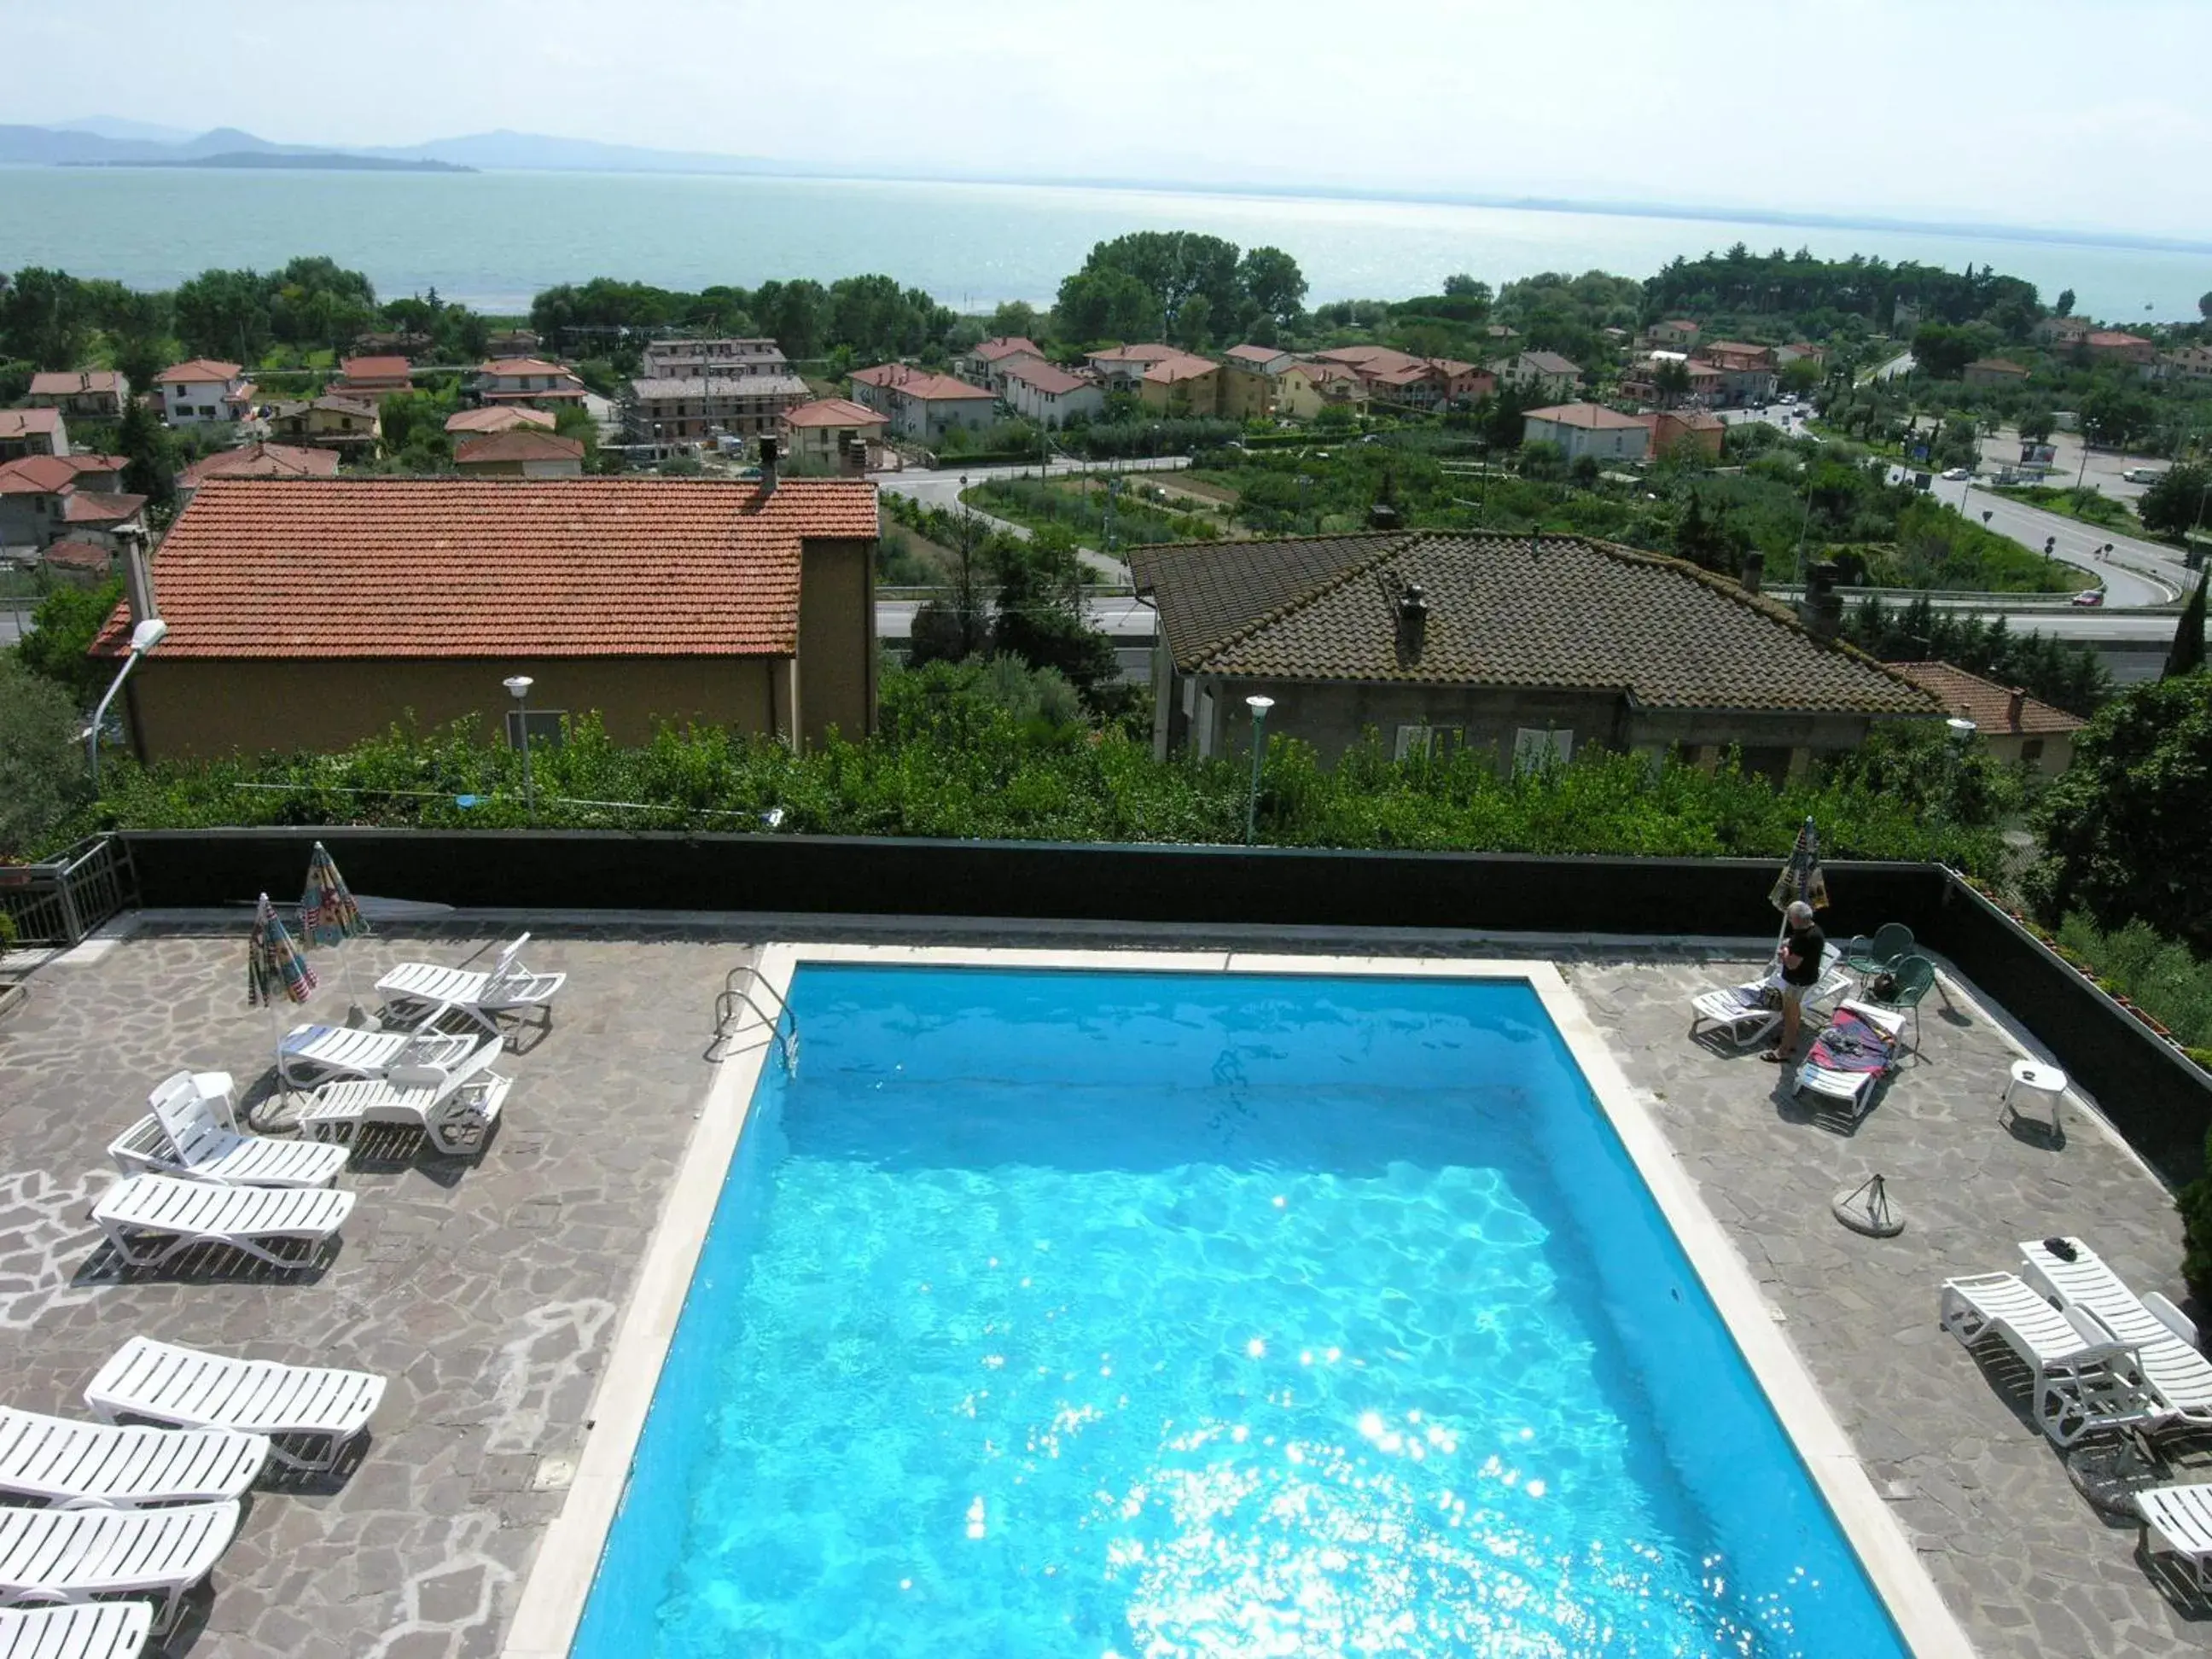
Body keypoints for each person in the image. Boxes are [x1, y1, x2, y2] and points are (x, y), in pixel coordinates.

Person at [1761, 899, 1825, 1062]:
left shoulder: (1804, 939)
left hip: (1798, 981)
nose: (1789, 920)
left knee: (1791, 1015)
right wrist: (1790, 947)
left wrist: (1784, 953)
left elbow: (1792, 964)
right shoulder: (1814, 929)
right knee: (1791, 1012)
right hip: (1805, 977)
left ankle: (1784, 1051)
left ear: (1797, 919)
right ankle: (1787, 1041)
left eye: (1790, 918)